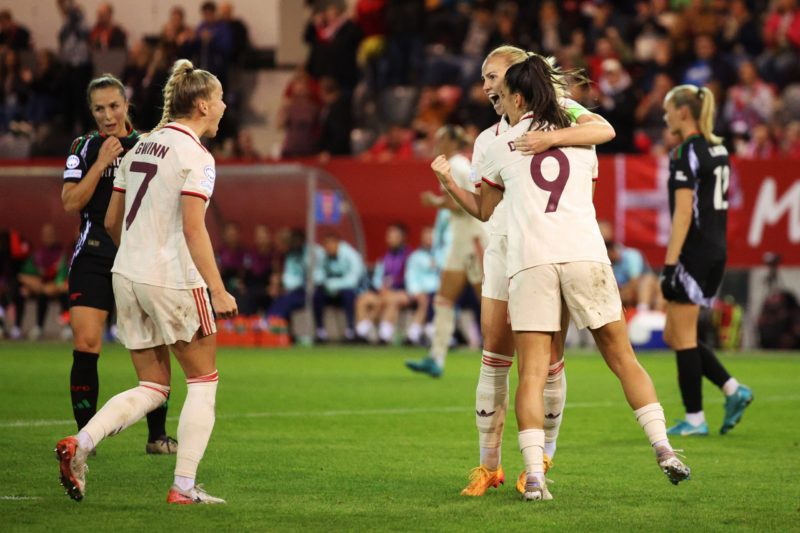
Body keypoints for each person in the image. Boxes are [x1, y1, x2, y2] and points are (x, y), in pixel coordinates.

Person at [436, 53, 690, 502]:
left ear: (517, 91)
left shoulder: (506, 143)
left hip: (529, 258)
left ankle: (535, 472)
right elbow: (600, 149)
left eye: (494, 78)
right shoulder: (580, 132)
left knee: (534, 371)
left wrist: (448, 183)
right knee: (619, 356)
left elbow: (484, 206)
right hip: (582, 254)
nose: (487, 88)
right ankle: (663, 446)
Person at [431, 45, 617, 497]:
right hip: (502, 247)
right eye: (482, 78)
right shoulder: (486, 141)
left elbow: (602, 134)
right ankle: (487, 466)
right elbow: (484, 209)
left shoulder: (566, 116)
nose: (486, 86)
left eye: (492, 75)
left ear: (517, 78)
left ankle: (541, 462)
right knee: (494, 354)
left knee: (548, 361)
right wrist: (449, 185)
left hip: (550, 249)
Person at [55, 59, 237, 504]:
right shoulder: (197, 156)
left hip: (127, 275)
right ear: (200, 105)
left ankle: (82, 443)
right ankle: (184, 487)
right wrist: (217, 288)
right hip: (172, 278)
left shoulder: (140, 146)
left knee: (153, 387)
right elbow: (194, 229)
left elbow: (113, 220)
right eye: (218, 99)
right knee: (203, 380)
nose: (224, 106)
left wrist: (137, 255)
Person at [60, 74, 176, 454]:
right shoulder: (84, 146)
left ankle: (157, 436)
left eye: (114, 106)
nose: (108, 116)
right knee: (87, 343)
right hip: (94, 253)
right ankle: (84, 439)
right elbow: (70, 202)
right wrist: (102, 163)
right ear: (90, 111)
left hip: (138, 254)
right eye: (99, 109)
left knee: (152, 343)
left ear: (126, 105)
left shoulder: (149, 145)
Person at [660, 84, 753, 437]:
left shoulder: (686, 152)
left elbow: (684, 213)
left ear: (683, 112)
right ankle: (732, 389)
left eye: (668, 109)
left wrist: (670, 266)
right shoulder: (719, 148)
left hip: (693, 254)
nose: (665, 116)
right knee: (674, 333)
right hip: (716, 251)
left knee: (682, 337)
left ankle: (695, 418)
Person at [406, 125, 487, 377]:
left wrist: (435, 202)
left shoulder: (455, 166)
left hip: (473, 237)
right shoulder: (460, 163)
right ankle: (436, 357)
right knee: (443, 298)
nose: (436, 143)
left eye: (440, 139)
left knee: (488, 300)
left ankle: (506, 353)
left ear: (452, 141)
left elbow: (461, 203)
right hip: (462, 239)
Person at [12, 224, 69, 340]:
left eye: (51, 234)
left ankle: (67, 326)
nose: (48, 237)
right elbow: (23, 275)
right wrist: (37, 286)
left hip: (56, 289)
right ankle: (34, 327)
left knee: (66, 294)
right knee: (21, 291)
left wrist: (53, 287)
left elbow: (62, 276)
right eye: (46, 234)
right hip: (39, 288)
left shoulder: (61, 253)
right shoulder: (37, 255)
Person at [314, 232, 364, 342]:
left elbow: (353, 280)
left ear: (338, 243)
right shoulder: (324, 256)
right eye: (325, 244)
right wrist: (325, 283)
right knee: (317, 295)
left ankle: (350, 331)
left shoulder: (351, 255)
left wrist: (333, 284)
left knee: (348, 295)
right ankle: (320, 331)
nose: (328, 247)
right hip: (330, 290)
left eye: (330, 244)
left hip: (352, 290)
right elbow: (318, 274)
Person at [403, 226, 439, 345]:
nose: (429, 239)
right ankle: (417, 333)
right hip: (422, 292)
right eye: (426, 237)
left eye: (431, 236)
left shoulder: (444, 255)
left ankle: (416, 334)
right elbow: (411, 276)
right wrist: (415, 292)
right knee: (426, 300)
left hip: (439, 292)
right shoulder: (415, 257)